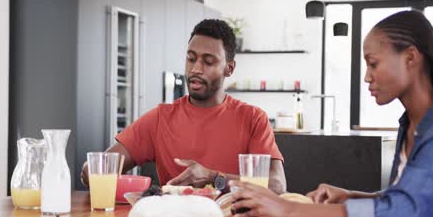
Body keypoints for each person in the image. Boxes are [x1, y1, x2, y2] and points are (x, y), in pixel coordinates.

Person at [230, 10, 433, 217]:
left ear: (410, 57)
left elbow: (396, 213)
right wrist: (350, 196)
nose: (366, 76)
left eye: (373, 64)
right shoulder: (412, 121)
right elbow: (411, 194)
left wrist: (285, 208)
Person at [80, 19, 286, 194]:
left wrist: (214, 178)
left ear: (229, 69)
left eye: (208, 62)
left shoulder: (252, 118)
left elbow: (277, 185)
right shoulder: (160, 118)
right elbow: (97, 170)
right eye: (191, 59)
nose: (196, 69)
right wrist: (94, 171)